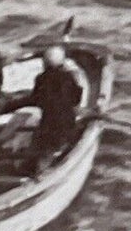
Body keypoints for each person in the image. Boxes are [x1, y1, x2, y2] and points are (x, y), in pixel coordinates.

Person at [22, 44, 87, 173]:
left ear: (44, 63)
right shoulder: (70, 78)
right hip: (67, 124)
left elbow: (36, 100)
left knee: (43, 145)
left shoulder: (41, 79)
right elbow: (76, 99)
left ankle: (37, 170)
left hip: (49, 125)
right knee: (53, 142)